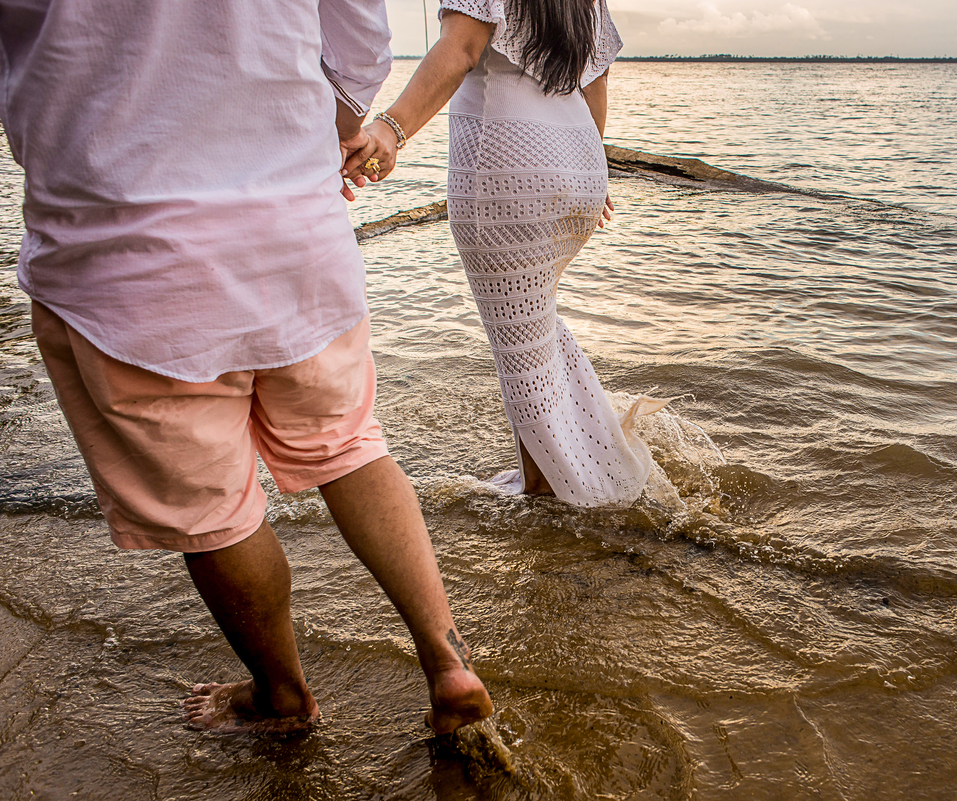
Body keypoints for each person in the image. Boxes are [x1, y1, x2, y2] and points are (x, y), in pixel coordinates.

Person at [0, 0, 491, 735]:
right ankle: (447, 658)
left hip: (124, 244)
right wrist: (301, 144)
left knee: (214, 510)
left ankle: (281, 695)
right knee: (351, 446)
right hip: (296, 228)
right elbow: (359, 32)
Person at [343, 0, 667, 508]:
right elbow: (596, 78)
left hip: (507, 168)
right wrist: (588, 171)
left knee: (520, 351)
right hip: (577, 159)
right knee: (534, 331)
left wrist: (392, 127)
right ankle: (584, 463)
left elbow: (462, 48)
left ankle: (558, 497)